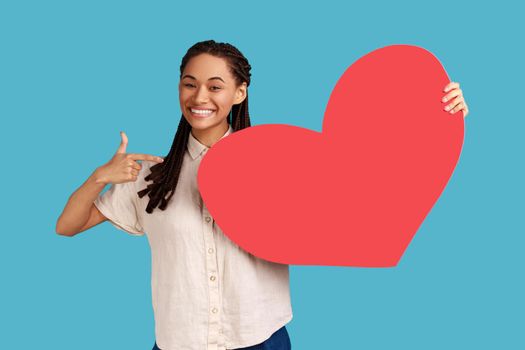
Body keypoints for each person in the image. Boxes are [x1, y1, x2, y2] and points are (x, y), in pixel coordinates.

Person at [55, 40, 469, 350]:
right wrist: (99, 177)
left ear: (240, 92)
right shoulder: (149, 175)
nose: (200, 97)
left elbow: (373, 173)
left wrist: (439, 110)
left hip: (261, 339)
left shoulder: (281, 164)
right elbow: (67, 226)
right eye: (190, 84)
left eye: (216, 86)